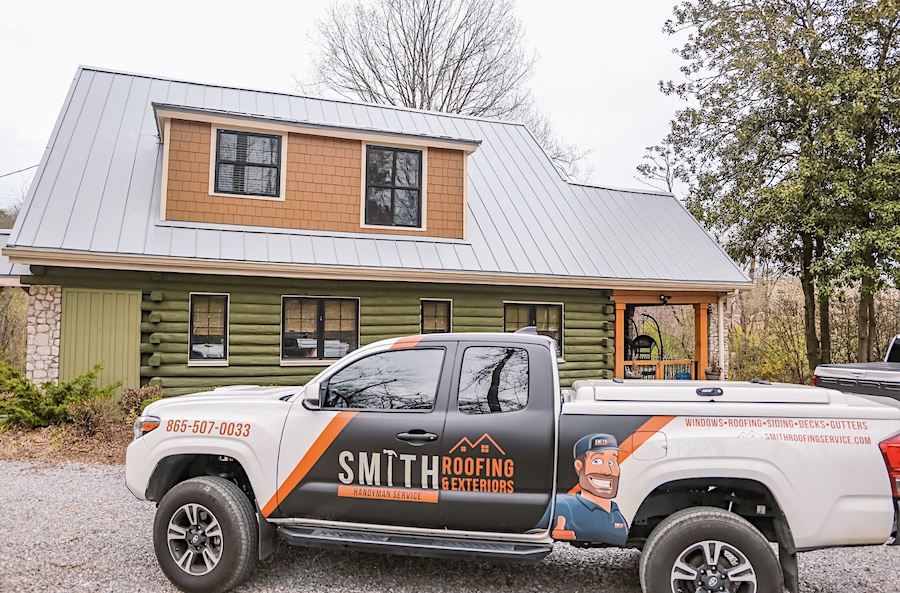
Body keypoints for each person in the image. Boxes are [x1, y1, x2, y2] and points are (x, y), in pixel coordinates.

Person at [539, 433, 628, 546]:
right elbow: (531, 535)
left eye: (611, 462)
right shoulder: (563, 505)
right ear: (579, 466)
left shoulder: (616, 511)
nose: (607, 471)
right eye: (597, 461)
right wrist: (551, 536)